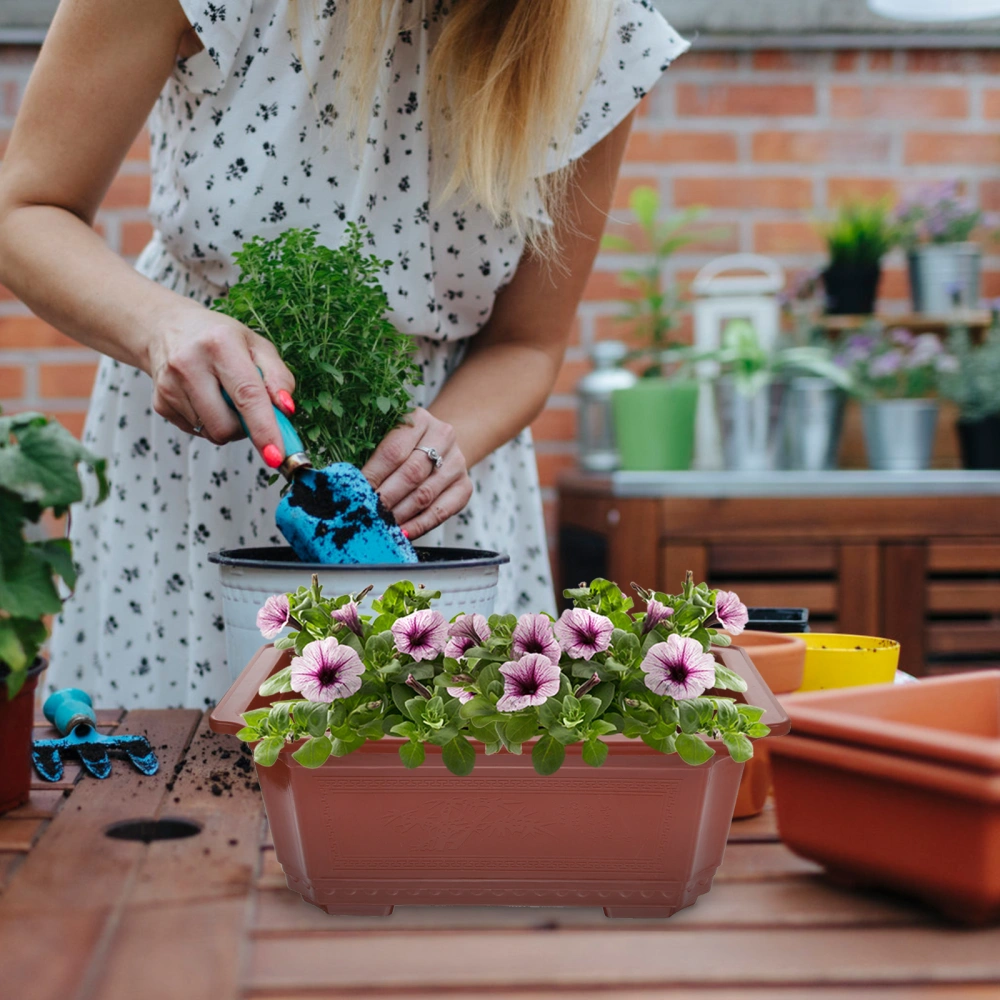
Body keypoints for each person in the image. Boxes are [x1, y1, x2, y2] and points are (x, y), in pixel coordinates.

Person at [0, 0, 688, 708]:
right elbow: (23, 211)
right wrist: (162, 327)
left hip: (429, 519)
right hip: (192, 481)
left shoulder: (597, 32)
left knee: (433, 781)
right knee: (170, 788)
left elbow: (528, 344)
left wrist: (435, 454)